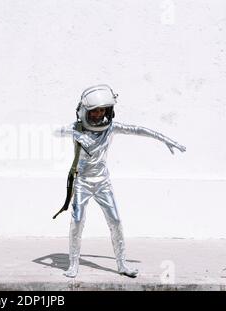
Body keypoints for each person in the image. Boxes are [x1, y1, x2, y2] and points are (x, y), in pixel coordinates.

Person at [54, 84, 186, 278]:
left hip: (103, 183)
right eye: (95, 110)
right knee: (77, 221)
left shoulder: (111, 127)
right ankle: (73, 265)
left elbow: (139, 130)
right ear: (85, 111)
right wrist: (77, 134)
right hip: (82, 182)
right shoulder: (77, 127)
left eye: (102, 110)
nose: (99, 114)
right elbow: (56, 131)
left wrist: (165, 139)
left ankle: (122, 264)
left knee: (115, 221)